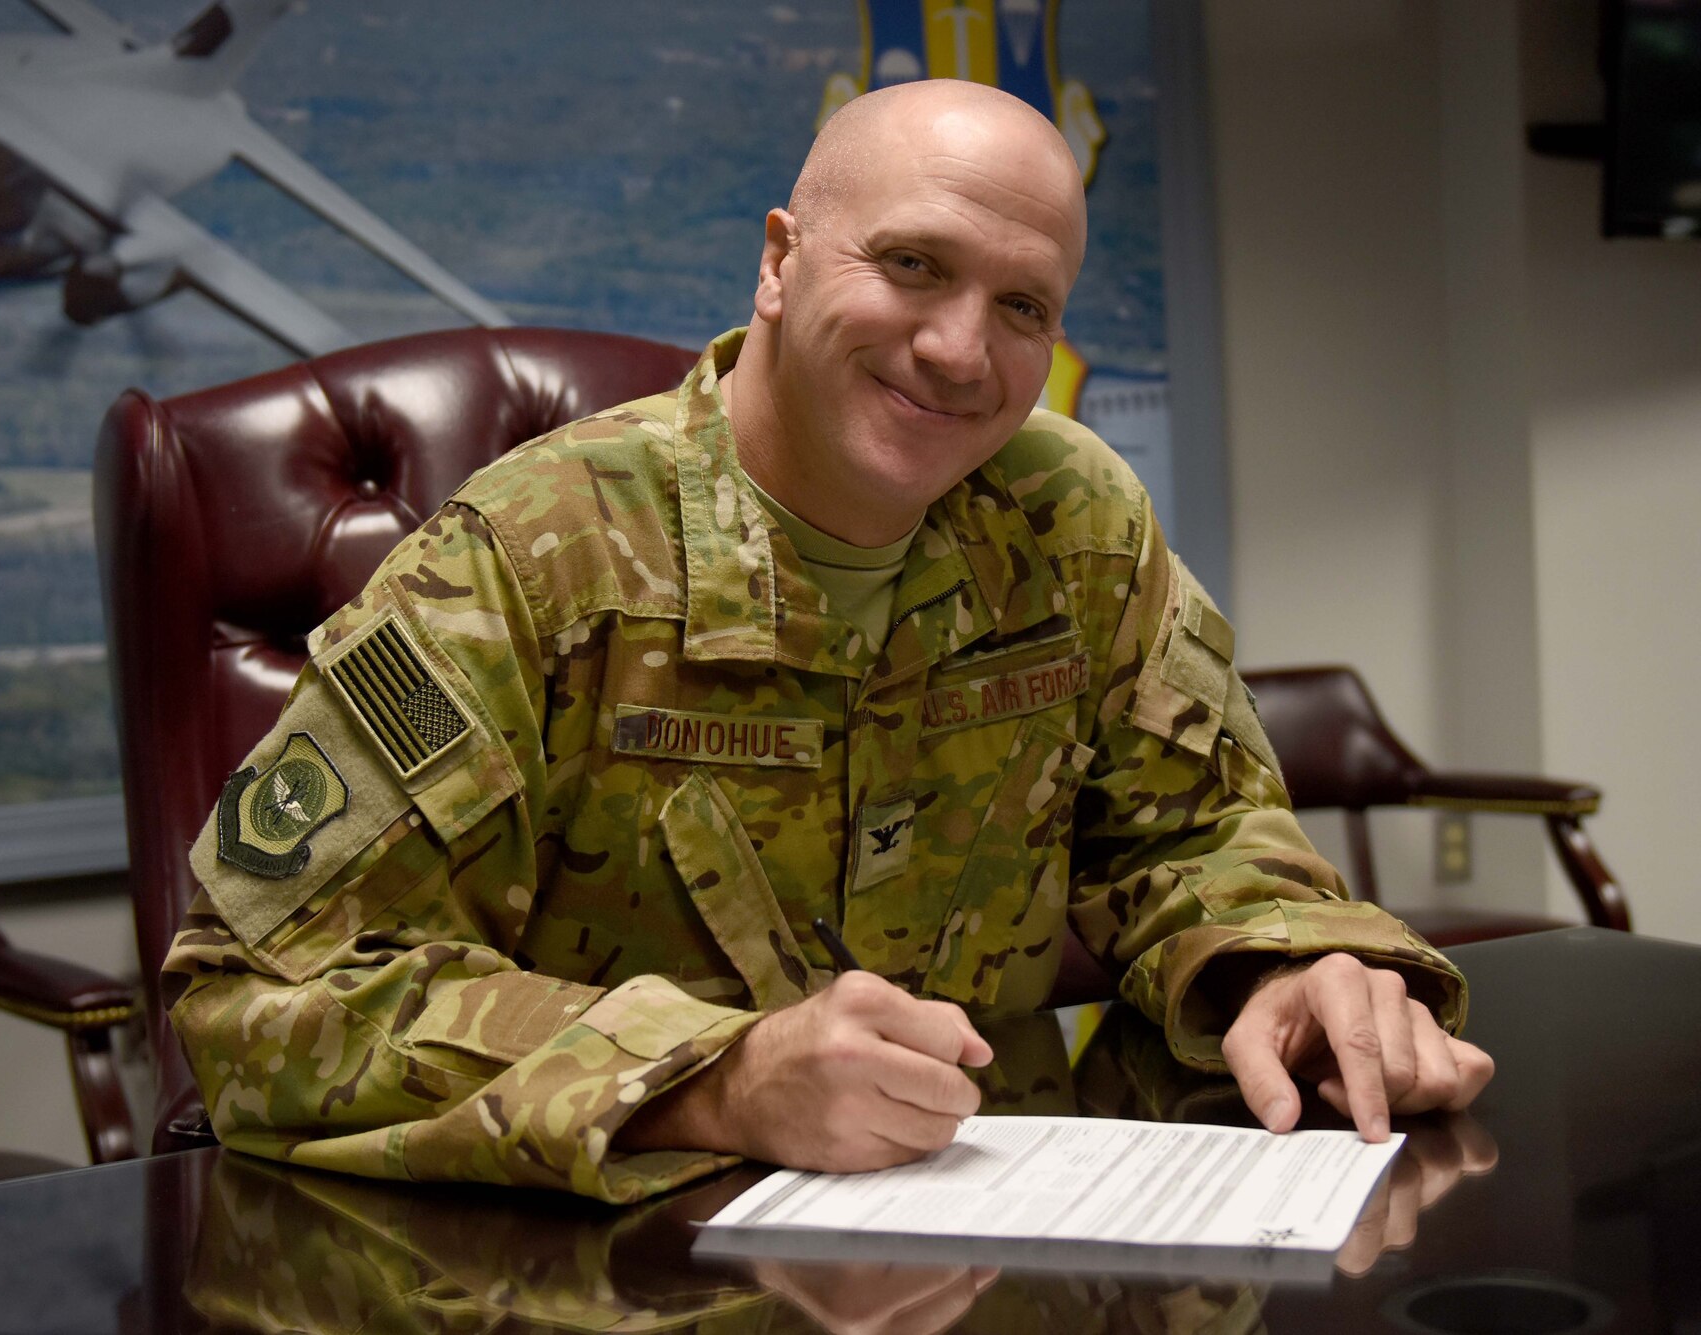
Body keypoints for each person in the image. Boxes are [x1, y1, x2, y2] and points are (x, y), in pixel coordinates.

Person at [162, 79, 1493, 1202]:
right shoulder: (532, 562)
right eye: (912, 265)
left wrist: (1298, 963)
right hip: (593, 1272)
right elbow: (260, 995)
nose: (962, 349)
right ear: (781, 262)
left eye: (1024, 306)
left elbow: (1191, 833)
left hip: (986, 1240)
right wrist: (713, 1081)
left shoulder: (1069, 521)